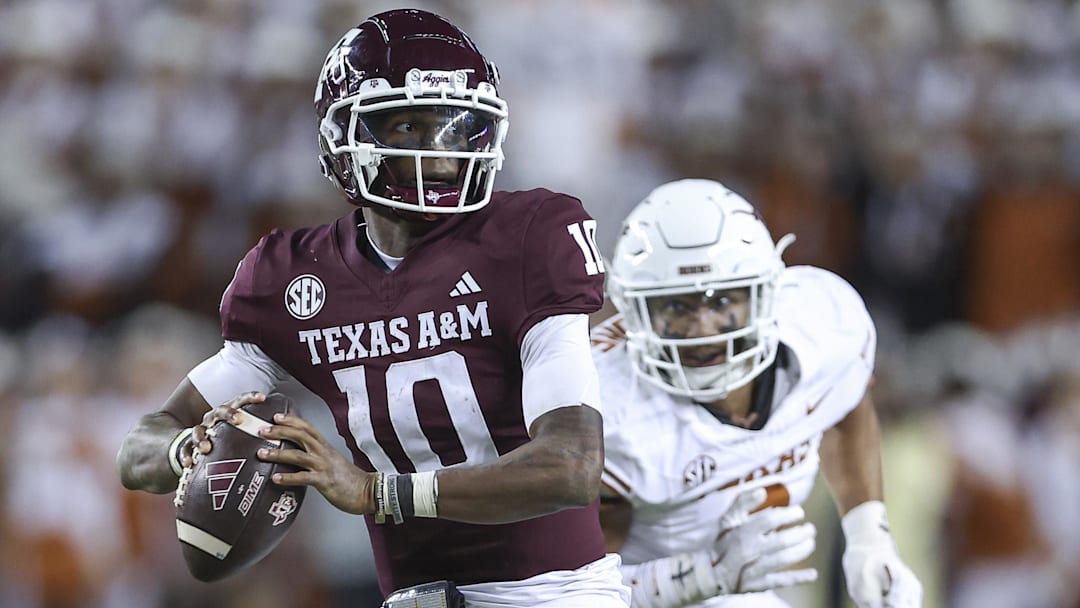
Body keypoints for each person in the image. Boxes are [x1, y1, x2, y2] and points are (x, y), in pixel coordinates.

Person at [116, 9, 632, 607]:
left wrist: (375, 493)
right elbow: (141, 445)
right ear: (344, 137)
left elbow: (571, 466)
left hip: (555, 596)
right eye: (410, 127)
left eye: (456, 128)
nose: (439, 154)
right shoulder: (293, 278)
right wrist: (190, 449)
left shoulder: (528, 239)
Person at [592, 179, 923, 608]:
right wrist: (699, 577)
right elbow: (566, 587)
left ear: (767, 292)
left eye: (723, 300)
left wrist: (868, 535)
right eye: (675, 306)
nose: (702, 330)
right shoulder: (608, 408)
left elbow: (845, 404)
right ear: (633, 310)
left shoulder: (821, 329)